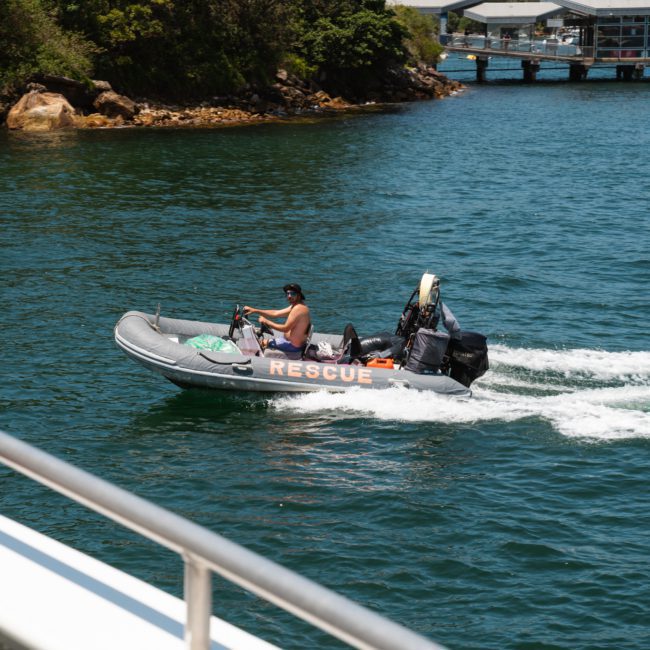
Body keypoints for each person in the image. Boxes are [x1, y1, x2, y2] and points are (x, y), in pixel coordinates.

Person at [244, 283, 311, 355]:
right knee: (264, 341)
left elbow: (285, 328)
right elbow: (276, 313)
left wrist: (266, 321)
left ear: (299, 295)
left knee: (259, 343)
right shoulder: (297, 306)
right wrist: (255, 310)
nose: (289, 296)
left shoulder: (298, 308)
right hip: (290, 342)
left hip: (292, 346)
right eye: (288, 293)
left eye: (293, 294)